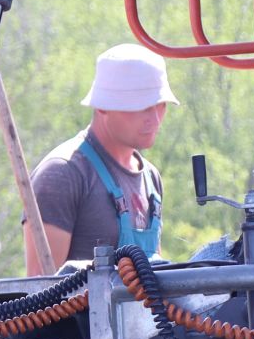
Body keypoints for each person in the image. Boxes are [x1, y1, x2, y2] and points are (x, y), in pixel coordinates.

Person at [26, 43, 176, 274]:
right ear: (103, 107)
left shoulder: (150, 177)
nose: (155, 120)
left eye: (160, 105)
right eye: (143, 107)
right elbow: (39, 295)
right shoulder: (61, 175)